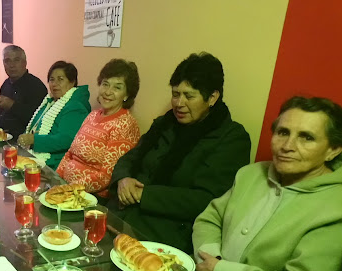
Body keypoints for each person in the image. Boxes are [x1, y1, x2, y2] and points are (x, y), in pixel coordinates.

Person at [193, 96, 342, 271]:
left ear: (333, 149)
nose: (287, 145)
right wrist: (212, 261)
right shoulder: (250, 174)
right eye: (282, 132)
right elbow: (209, 219)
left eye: (306, 137)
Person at [108, 52, 251, 253]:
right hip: (122, 216)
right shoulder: (165, 124)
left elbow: (208, 199)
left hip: (166, 235)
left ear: (212, 97)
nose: (179, 103)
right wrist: (123, 179)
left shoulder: (231, 138)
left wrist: (144, 195)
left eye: (189, 96)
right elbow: (130, 157)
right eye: (175, 94)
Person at [56, 59, 141, 196]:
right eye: (105, 84)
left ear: (127, 95)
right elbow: (69, 154)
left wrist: (69, 189)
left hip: (91, 197)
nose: (108, 92)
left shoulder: (125, 124)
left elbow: (106, 176)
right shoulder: (93, 115)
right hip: (67, 189)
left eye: (117, 87)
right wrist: (56, 180)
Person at [15, 61, 90, 169]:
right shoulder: (50, 102)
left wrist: (34, 140)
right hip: (31, 155)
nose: (54, 84)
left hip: (55, 164)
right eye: (52, 79)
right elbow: (34, 127)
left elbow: (66, 139)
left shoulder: (75, 106)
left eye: (60, 79)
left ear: (72, 82)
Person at [0, 45, 48, 139]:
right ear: (3, 64)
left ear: (25, 63)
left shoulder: (36, 86)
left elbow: (38, 121)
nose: (12, 65)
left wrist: (12, 105)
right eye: (7, 61)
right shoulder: (6, 84)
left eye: (16, 60)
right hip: (1, 138)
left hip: (23, 142)